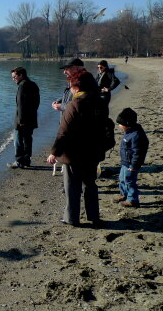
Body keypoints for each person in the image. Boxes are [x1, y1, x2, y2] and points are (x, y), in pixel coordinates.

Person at [47, 58, 104, 226]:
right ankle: (93, 216)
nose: (69, 87)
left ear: (76, 87)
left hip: (75, 152)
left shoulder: (74, 104)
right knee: (90, 185)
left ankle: (71, 218)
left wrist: (54, 153)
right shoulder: (98, 100)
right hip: (93, 150)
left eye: (71, 85)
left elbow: (64, 132)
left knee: (72, 187)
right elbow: (104, 125)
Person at [113, 108, 149, 208]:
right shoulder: (130, 132)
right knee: (122, 179)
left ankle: (132, 199)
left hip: (131, 164)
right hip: (125, 162)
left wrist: (134, 165)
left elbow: (138, 152)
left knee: (129, 181)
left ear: (127, 124)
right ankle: (124, 194)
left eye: (120, 124)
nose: (119, 126)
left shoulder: (136, 135)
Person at [7, 67, 40, 169]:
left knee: (18, 140)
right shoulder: (33, 84)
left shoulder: (22, 85)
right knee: (27, 140)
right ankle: (27, 160)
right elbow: (37, 102)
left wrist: (21, 121)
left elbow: (20, 105)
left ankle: (19, 161)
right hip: (31, 117)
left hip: (22, 119)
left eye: (14, 77)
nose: (13, 79)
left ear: (21, 75)